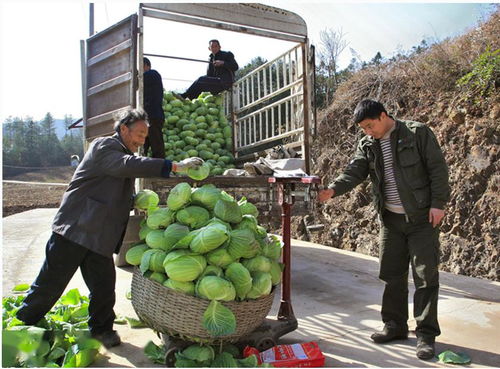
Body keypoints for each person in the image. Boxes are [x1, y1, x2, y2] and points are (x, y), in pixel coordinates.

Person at [16, 108, 203, 349]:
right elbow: (124, 165)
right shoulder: (104, 146)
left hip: (98, 237)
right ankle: (20, 328)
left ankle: (102, 330)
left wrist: (136, 201)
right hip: (74, 230)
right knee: (49, 286)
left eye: (145, 136)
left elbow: (112, 186)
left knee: (104, 288)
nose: (141, 140)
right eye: (139, 134)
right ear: (123, 129)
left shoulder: (122, 154)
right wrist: (175, 166)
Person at [318, 99, 450, 360]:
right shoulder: (368, 144)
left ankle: (425, 336)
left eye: (370, 126)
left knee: (425, 277)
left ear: (383, 116)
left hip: (422, 218)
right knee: (391, 275)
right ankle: (395, 326)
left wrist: (438, 203)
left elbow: (437, 168)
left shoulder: (417, 132)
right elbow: (355, 171)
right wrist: (332, 190)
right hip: (390, 219)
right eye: (363, 129)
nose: (368, 132)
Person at [143, 57, 165, 158]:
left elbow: (139, 79)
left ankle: (160, 166)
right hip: (147, 116)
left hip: (153, 115)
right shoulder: (147, 79)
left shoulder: (153, 74)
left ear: (146, 65)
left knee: (156, 144)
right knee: (145, 143)